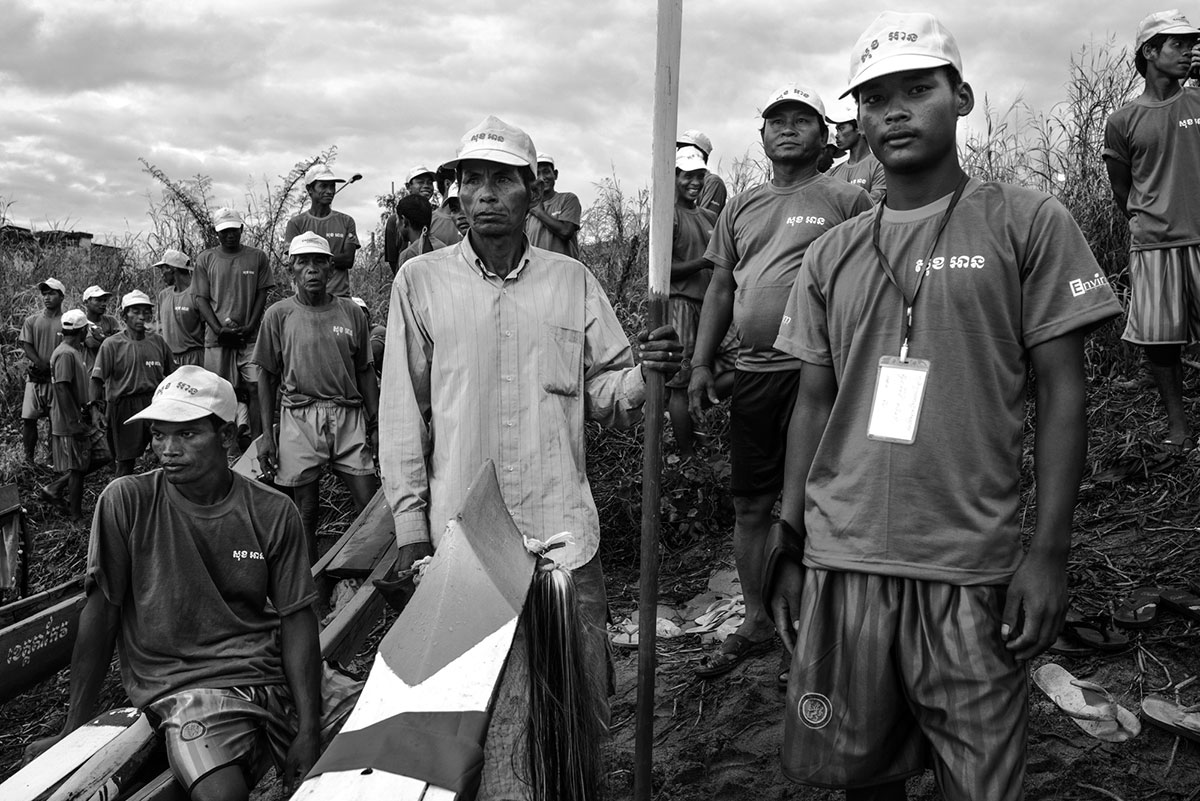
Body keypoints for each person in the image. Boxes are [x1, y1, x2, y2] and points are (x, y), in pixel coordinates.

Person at [767, 14, 1122, 799]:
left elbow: (1065, 390)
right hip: (844, 559)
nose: (894, 111)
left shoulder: (1024, 220)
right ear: (854, 120)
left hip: (969, 567)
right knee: (858, 774)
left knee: (983, 784)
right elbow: (813, 403)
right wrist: (789, 538)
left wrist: (1049, 551)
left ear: (960, 97)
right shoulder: (833, 252)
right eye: (873, 98)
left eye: (917, 90)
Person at [380, 115, 681, 800]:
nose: (485, 194)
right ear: (457, 196)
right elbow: (402, 412)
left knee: (576, 707)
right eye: (472, 180)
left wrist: (649, 373)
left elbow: (607, 386)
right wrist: (409, 527)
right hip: (465, 540)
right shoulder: (419, 283)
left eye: (502, 180)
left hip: (563, 535)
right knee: (469, 717)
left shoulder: (570, 280)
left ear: (530, 190)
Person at [25, 366, 360, 801]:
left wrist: (310, 727)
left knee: (388, 732)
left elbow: (297, 617)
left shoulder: (272, 511)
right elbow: (102, 612)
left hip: (271, 667)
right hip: (187, 687)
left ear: (225, 436)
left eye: (186, 435)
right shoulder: (127, 502)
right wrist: (72, 734)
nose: (167, 450)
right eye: (159, 435)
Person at [688, 84, 871, 679]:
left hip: (822, 373)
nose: (787, 129)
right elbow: (721, 288)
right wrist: (699, 363)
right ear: (761, 136)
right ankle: (758, 619)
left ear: (824, 135)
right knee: (750, 504)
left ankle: (824, 616)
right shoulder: (740, 206)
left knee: (825, 500)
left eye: (801, 120)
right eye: (775, 121)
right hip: (755, 375)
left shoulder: (849, 200)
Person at [1104, 10, 1200, 453]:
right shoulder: (1123, 121)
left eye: (1190, 43)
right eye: (1177, 44)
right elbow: (1122, 189)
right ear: (1149, 52)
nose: (1188, 51)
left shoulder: (1198, 101)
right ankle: (1179, 427)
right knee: (1161, 342)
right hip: (1155, 245)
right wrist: (1154, 218)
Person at [255, 232, 380, 560]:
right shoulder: (279, 315)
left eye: (319, 262)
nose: (311, 269)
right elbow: (266, 376)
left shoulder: (351, 313)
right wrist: (267, 435)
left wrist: (376, 423)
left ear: (331, 269)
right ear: (291, 270)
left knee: (370, 503)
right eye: (302, 262)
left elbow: (365, 369)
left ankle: (367, 580)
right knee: (306, 511)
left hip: (348, 415)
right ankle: (311, 587)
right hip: (299, 416)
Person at [667, 146, 734, 457]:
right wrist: (702, 263)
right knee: (679, 383)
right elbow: (661, 270)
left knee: (741, 360)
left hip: (710, 306)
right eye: (687, 176)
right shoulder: (669, 215)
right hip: (681, 306)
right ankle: (688, 458)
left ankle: (697, 408)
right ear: (675, 176)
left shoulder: (709, 216)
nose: (694, 182)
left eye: (698, 176)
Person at [194, 207, 273, 444]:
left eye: (233, 229)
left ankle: (259, 443)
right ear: (216, 233)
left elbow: (261, 293)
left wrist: (250, 326)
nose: (230, 235)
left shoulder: (257, 257)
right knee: (218, 392)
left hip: (250, 338)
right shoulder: (206, 259)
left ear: (241, 229)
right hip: (218, 340)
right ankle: (220, 444)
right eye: (224, 231)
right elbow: (201, 298)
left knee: (256, 389)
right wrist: (219, 330)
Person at [91, 291, 175, 477]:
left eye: (146, 312)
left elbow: (172, 374)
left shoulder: (158, 342)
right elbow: (97, 380)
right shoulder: (112, 344)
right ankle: (121, 499)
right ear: (124, 316)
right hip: (124, 406)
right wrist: (95, 409)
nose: (141, 317)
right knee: (125, 460)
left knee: (165, 456)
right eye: (135, 312)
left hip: (155, 403)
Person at [40, 310, 111, 520]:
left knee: (103, 454)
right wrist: (74, 421)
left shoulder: (73, 351)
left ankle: (55, 487)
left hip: (82, 416)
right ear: (82, 331)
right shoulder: (64, 354)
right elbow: (62, 388)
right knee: (78, 467)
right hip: (71, 419)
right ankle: (75, 515)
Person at [284, 165, 360, 298]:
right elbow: (294, 261)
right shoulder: (296, 223)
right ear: (310, 189)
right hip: (306, 300)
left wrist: (310, 258)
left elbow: (348, 260)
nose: (330, 191)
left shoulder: (346, 221)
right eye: (323, 186)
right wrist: (330, 258)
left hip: (340, 297)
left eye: (332, 186)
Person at [21, 277, 66, 467]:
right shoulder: (32, 321)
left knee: (55, 422)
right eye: (44, 294)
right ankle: (28, 460)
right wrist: (38, 362)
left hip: (57, 379)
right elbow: (26, 344)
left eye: (52, 293)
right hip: (36, 378)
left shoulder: (67, 321)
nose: (47, 298)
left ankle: (52, 459)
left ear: (61, 296)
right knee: (29, 419)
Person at [826, 99, 887, 203]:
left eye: (841, 128)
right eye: (836, 130)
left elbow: (872, 207)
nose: (836, 135)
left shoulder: (880, 165)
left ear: (859, 128)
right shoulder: (831, 173)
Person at [524, 153, 582, 258]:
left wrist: (539, 212)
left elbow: (566, 232)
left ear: (555, 174)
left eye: (546, 172)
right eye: (537, 174)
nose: (542, 178)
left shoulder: (568, 199)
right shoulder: (527, 208)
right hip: (536, 271)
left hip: (565, 271)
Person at [155, 248, 206, 367]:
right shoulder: (164, 295)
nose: (162, 275)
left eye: (163, 270)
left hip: (194, 359)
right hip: (170, 360)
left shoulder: (197, 294)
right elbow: (160, 328)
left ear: (172, 269)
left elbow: (207, 329)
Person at [678, 129, 729, 215]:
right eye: (680, 148)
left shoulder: (713, 183)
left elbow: (703, 222)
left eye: (685, 148)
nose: (679, 151)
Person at [392, 194, 445, 273]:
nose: (396, 224)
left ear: (404, 221)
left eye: (397, 219)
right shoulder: (443, 247)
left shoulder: (409, 255)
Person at [80, 285, 119, 372]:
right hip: (90, 372)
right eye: (98, 300)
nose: (103, 304)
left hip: (109, 372)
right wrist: (109, 339)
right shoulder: (82, 322)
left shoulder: (111, 321)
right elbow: (91, 343)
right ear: (86, 303)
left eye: (104, 300)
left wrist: (101, 338)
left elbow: (120, 344)